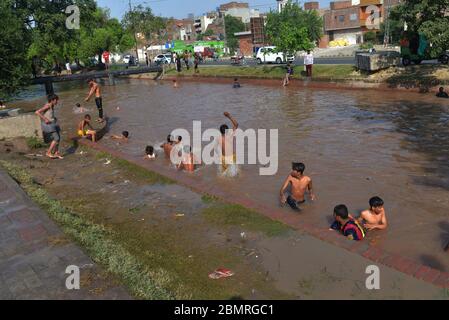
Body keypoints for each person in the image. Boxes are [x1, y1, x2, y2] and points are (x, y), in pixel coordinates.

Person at [35, 94, 64, 159]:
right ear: (52, 100)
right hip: (49, 125)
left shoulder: (52, 105)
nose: (57, 101)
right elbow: (37, 112)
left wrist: (54, 118)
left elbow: (49, 114)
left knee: (58, 138)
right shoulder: (47, 105)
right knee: (56, 138)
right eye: (56, 100)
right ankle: (48, 152)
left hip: (54, 123)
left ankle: (56, 153)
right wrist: (45, 119)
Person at [218, 112, 239, 177]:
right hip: (231, 158)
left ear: (220, 131)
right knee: (234, 176)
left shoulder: (219, 138)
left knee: (224, 175)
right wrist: (229, 116)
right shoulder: (230, 136)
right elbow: (236, 124)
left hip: (223, 159)